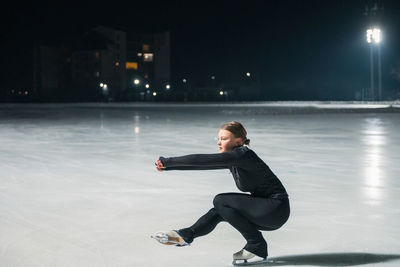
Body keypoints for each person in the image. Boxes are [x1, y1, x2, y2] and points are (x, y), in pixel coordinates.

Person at [153, 121, 290, 265]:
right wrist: (168, 167)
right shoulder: (234, 159)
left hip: (275, 208)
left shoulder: (243, 155)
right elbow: (200, 165)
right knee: (219, 210)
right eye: (218, 139)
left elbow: (202, 159)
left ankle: (256, 244)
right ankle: (187, 235)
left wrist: (167, 161)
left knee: (221, 201)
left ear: (237, 141)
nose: (219, 142)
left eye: (223, 139)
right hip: (268, 214)